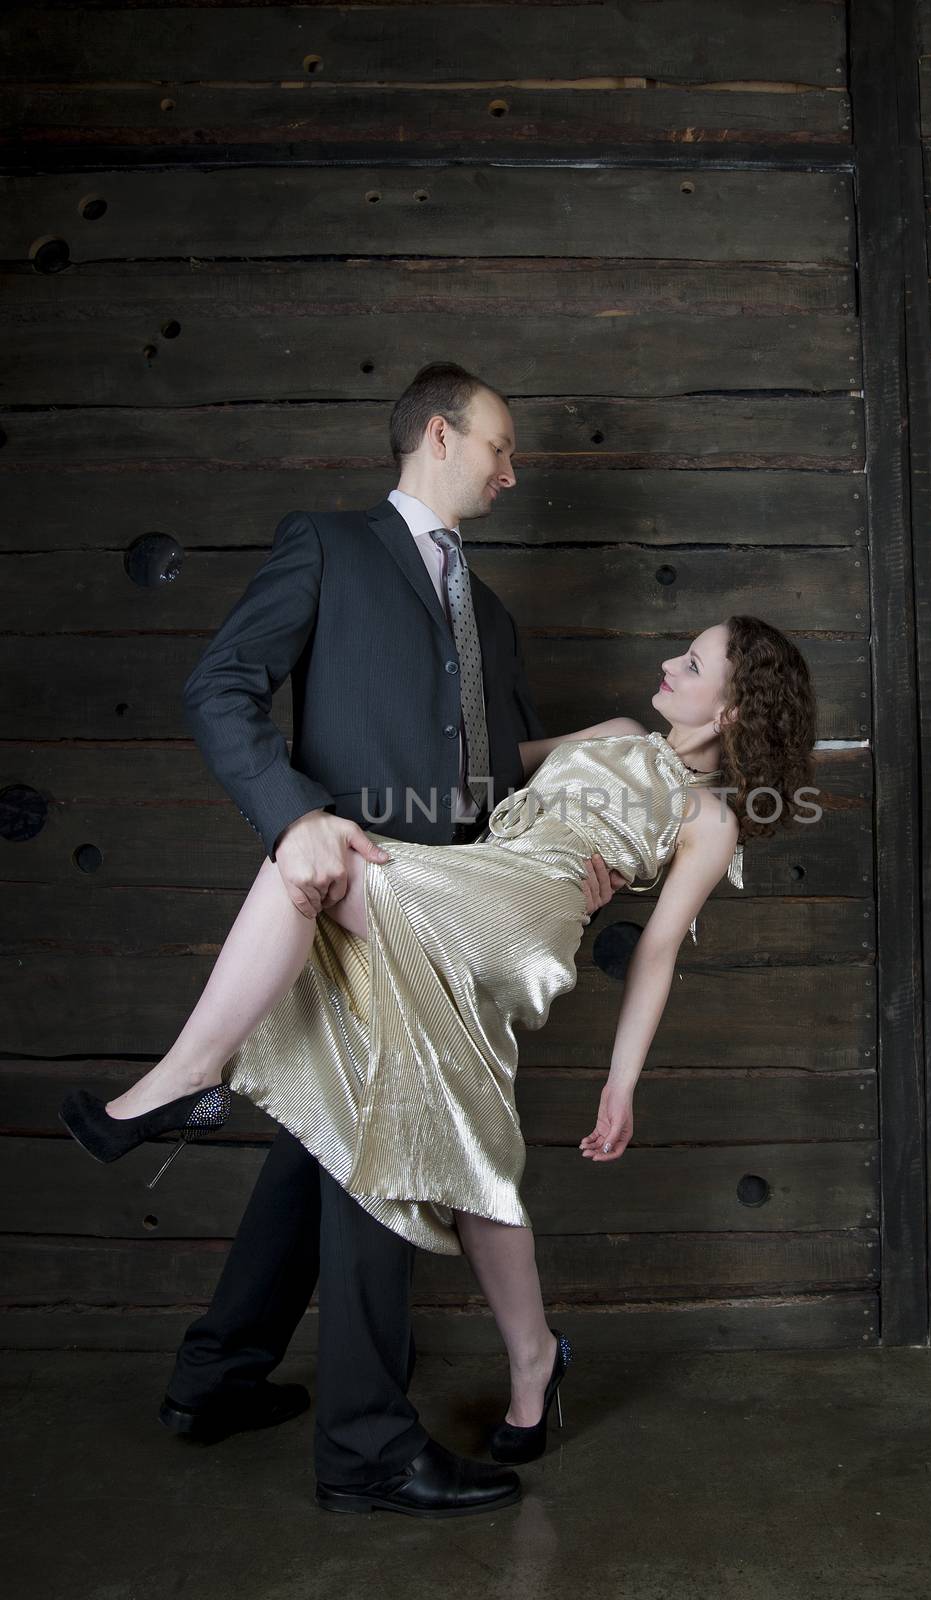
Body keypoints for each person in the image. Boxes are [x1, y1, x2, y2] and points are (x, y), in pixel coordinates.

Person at [61, 610, 818, 1493]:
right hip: (473, 888)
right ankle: (533, 1357)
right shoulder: (615, 732)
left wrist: (622, 1085)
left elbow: (654, 956)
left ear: (731, 711)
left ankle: (190, 1077)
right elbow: (485, 771)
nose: (667, 663)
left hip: (522, 916)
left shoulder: (708, 819)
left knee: (313, 860)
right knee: (471, 1139)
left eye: (691, 663)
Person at [61, 361, 627, 1520]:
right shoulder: (326, 545)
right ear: (438, 433)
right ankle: (367, 1446)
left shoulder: (498, 617)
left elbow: (502, 779)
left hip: (454, 917)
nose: (512, 474)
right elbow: (220, 687)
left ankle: (213, 1379)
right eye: (500, 449)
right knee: (387, 1147)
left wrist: (590, 824)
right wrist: (294, 816)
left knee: (320, 1143)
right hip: (349, 898)